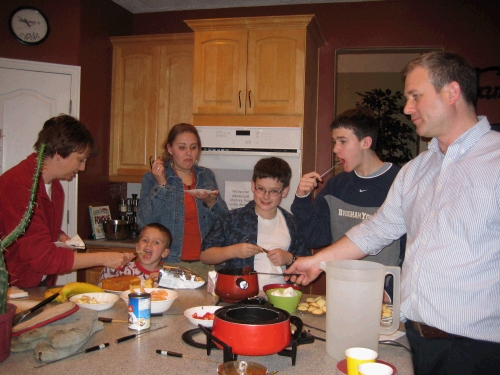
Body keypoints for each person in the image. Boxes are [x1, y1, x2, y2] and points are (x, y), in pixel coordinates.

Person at [286, 51, 500, 375]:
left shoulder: (495, 161)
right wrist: (317, 262)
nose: (407, 108)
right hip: (415, 338)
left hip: (475, 349)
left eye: (416, 96)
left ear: (452, 92)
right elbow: (377, 229)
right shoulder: (417, 169)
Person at [0, 114, 134, 288]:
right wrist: (104, 258)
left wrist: (58, 236)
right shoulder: (19, 185)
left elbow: (32, 229)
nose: (82, 168)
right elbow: (42, 258)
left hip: (35, 284)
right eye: (80, 160)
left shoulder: (55, 189)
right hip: (10, 290)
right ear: (58, 154)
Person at [291, 107, 404, 268]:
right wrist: (302, 198)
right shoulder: (336, 186)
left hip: (385, 289)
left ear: (366, 142)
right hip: (340, 285)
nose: (335, 149)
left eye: (343, 141)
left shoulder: (401, 183)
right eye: (334, 142)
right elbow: (314, 238)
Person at [201, 157, 310, 288]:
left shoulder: (291, 223)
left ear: (285, 191)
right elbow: (205, 255)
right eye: (261, 189)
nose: (266, 196)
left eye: (274, 191)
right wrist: (233, 251)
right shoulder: (232, 219)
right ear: (253, 186)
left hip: (280, 296)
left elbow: (307, 263)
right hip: (239, 296)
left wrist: (289, 258)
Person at [137, 123, 228, 277]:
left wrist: (212, 203)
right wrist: (162, 184)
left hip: (206, 263)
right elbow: (144, 221)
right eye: (182, 147)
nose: (189, 153)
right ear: (170, 148)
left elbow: (224, 222)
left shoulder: (206, 176)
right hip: (170, 263)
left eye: (193, 147)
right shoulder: (152, 178)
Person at [99, 223, 171, 284]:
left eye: (156, 242)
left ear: (164, 253)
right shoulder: (123, 269)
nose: (149, 244)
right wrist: (113, 265)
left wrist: (165, 281)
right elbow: (102, 284)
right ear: (137, 247)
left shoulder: (167, 276)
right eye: (145, 240)